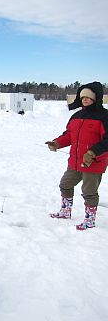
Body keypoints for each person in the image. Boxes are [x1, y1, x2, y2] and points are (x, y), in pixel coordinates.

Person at [46, 82, 108, 230]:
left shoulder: (104, 117)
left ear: (96, 98)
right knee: (65, 184)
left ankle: (90, 220)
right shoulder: (77, 116)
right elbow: (69, 135)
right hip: (75, 161)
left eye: (88, 97)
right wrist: (57, 143)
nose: (85, 99)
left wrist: (92, 152)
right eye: (83, 97)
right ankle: (66, 211)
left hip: (93, 162)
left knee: (89, 192)